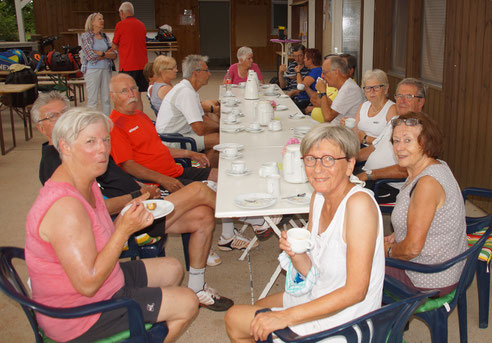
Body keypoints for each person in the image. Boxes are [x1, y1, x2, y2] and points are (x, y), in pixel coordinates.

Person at [25, 108, 198, 342]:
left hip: (103, 282)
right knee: (188, 302)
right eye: (90, 141)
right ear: (65, 147)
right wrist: (124, 230)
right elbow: (87, 285)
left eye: (105, 139)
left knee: (173, 268)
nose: (103, 149)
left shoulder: (87, 180)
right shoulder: (65, 207)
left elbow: (97, 240)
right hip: (79, 315)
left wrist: (131, 217)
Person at [225, 124, 385, 342]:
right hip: (321, 293)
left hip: (348, 318)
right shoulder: (318, 198)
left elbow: (357, 291)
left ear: (349, 165)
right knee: (257, 310)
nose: (318, 169)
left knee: (235, 318)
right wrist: (296, 254)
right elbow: (312, 271)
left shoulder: (358, 205)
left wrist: (285, 317)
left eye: (329, 159)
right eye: (311, 159)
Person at [31, 91, 225, 269]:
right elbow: (93, 209)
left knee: (203, 215)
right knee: (199, 190)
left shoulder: (82, 151)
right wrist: (139, 194)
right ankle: (245, 215)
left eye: (65, 112)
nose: (62, 118)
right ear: (41, 127)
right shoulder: (55, 164)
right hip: (125, 220)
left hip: (142, 203)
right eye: (53, 116)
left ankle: (199, 287)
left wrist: (142, 186)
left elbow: (117, 176)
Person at [385, 112, 467, 296]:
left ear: (426, 142)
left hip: (426, 277)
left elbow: (412, 248)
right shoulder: (434, 165)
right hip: (439, 265)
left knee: (352, 263)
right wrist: (399, 234)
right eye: (396, 141)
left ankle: (380, 320)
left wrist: (387, 251)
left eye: (408, 140)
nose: (399, 147)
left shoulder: (427, 183)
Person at [109, 73, 218, 193]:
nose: (131, 94)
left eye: (134, 88)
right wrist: (163, 179)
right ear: (112, 96)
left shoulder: (140, 115)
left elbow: (158, 147)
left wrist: (189, 154)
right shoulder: (114, 125)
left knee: (221, 176)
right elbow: (128, 165)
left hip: (176, 171)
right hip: (156, 182)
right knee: (208, 193)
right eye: (124, 91)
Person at [356, 78, 426, 203]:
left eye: (409, 97)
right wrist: (347, 158)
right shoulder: (395, 120)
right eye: (399, 96)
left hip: (386, 185)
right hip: (368, 175)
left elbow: (406, 169)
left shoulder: (420, 129)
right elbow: (372, 148)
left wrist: (369, 174)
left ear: (421, 102)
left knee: (342, 194)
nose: (402, 101)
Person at [156, 55, 219, 167]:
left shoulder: (187, 89)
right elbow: (200, 129)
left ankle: (205, 168)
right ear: (196, 73)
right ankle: (207, 174)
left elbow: (202, 118)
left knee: (216, 133)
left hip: (177, 134)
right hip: (171, 140)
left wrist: (220, 126)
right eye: (206, 71)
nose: (209, 74)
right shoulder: (186, 92)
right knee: (219, 140)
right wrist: (221, 128)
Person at [342, 69, 397, 145]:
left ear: (385, 89)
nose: (372, 91)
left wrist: (366, 138)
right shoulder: (364, 106)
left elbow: (391, 141)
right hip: (359, 147)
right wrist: (346, 127)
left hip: (378, 152)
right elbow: (355, 132)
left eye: (376, 87)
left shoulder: (392, 109)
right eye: (368, 88)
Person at [112, 1, 147, 112]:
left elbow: (114, 45)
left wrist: (121, 49)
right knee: (138, 96)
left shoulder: (120, 25)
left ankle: (128, 120)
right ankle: (140, 119)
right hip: (142, 65)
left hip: (127, 66)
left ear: (122, 12)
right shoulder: (141, 25)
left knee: (125, 96)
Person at [80, 12, 117, 116]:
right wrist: (106, 54)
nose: (102, 21)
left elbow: (114, 54)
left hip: (106, 69)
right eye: (99, 19)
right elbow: (90, 56)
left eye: (102, 19)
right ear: (92, 22)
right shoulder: (86, 36)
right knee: (93, 99)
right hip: (92, 70)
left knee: (106, 99)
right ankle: (93, 123)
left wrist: (101, 53)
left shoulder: (104, 36)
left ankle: (107, 121)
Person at [314, 55, 364, 124]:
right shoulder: (345, 86)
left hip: (343, 133)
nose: (322, 76)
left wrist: (323, 92)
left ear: (336, 72)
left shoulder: (349, 89)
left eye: (324, 72)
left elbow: (327, 118)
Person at [293, 48, 323, 113]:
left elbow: (300, 87)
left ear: (311, 60)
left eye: (305, 58)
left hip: (306, 101)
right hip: (305, 99)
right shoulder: (316, 70)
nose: (304, 60)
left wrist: (298, 72)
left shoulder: (316, 71)